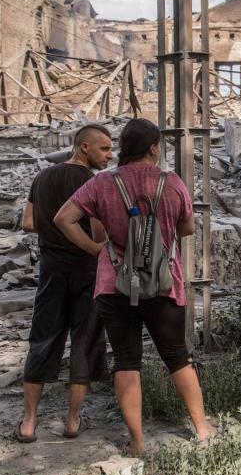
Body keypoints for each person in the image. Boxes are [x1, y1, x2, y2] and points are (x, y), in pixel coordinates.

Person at [54, 118, 215, 455]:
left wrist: (94, 248)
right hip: (163, 284)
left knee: (127, 361)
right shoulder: (171, 182)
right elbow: (186, 228)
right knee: (177, 357)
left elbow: (62, 219)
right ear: (154, 147)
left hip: (115, 285)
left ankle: (137, 442)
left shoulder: (102, 183)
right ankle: (202, 428)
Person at [17, 124, 113, 442]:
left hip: (51, 270)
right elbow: (99, 233)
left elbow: (28, 222)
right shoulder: (94, 182)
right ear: (84, 147)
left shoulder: (43, 177)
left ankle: (28, 422)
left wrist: (54, 233)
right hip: (87, 271)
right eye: (104, 149)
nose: (109, 156)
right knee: (85, 343)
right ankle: (72, 421)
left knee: (43, 340)